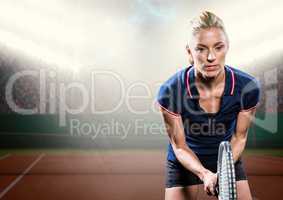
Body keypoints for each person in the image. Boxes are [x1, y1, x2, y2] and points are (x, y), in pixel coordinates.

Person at [157, 11, 260, 200]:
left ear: (227, 47)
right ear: (189, 52)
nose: (211, 57)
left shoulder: (248, 87)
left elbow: (239, 137)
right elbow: (179, 147)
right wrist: (205, 175)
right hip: (185, 160)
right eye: (201, 49)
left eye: (218, 47)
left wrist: (223, 172)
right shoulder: (170, 90)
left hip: (228, 157)